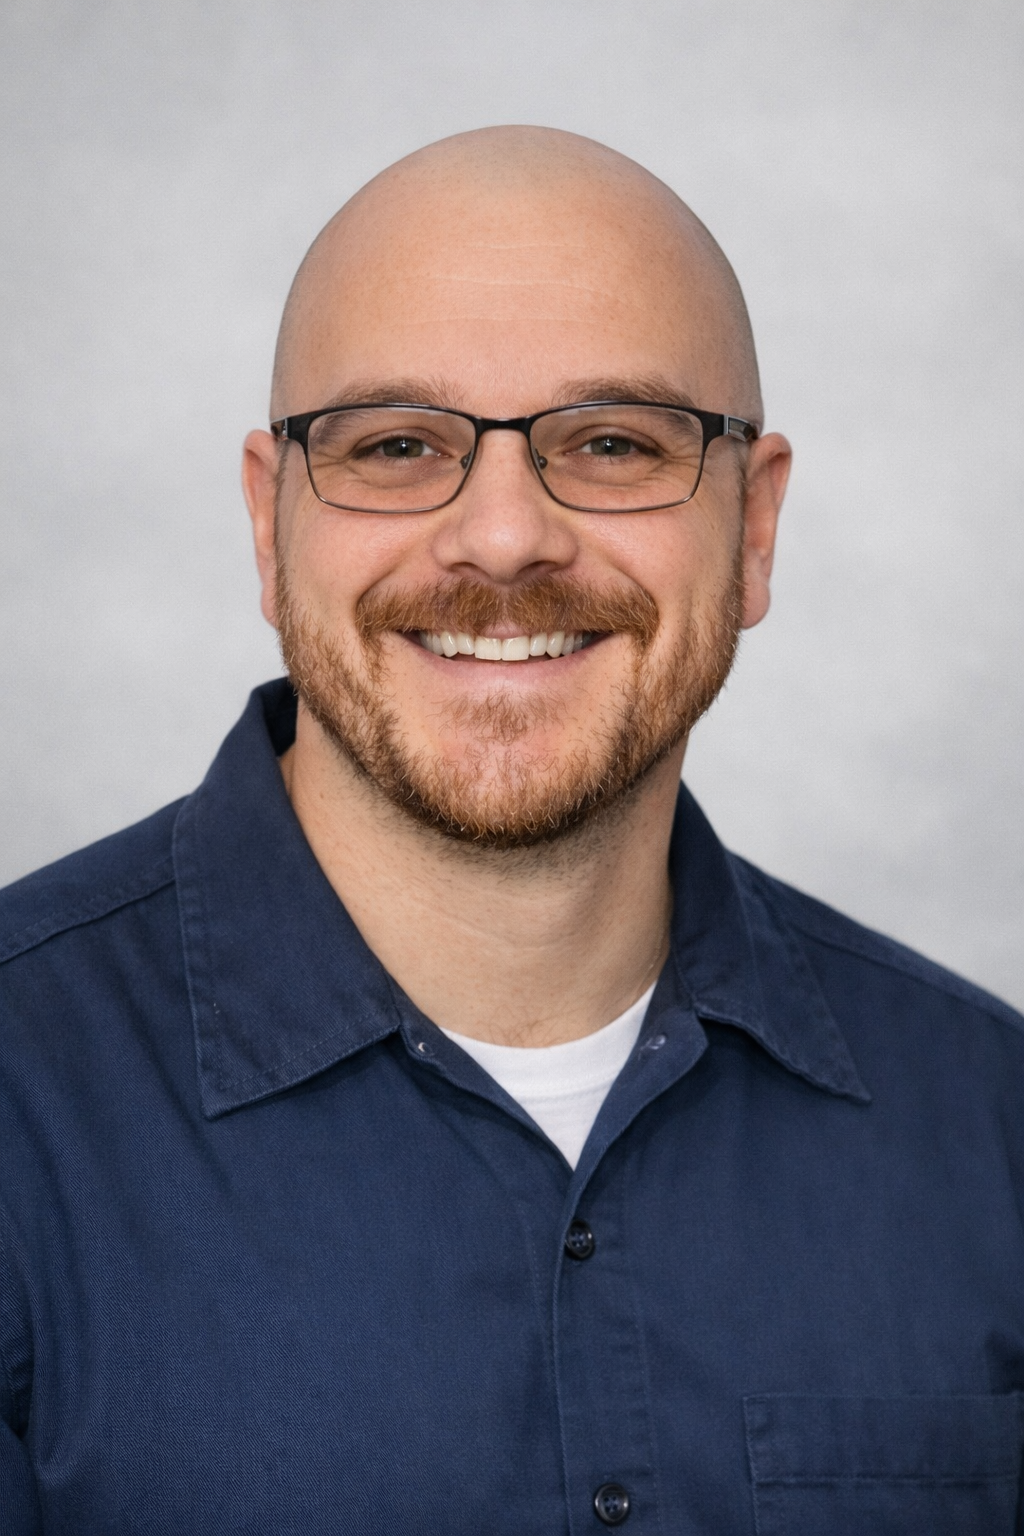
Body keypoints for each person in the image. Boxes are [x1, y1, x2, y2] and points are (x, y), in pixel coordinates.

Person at [0, 126, 1021, 1536]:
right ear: (266, 519)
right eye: (397, 445)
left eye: (611, 443)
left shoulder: (996, 1127)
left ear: (757, 529)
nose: (499, 539)